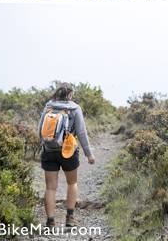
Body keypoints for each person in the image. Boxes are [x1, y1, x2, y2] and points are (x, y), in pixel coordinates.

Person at [38, 83, 96, 228]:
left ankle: (50, 222)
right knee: (72, 183)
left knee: (50, 187)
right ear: (70, 95)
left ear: (57, 93)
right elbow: (82, 133)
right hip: (68, 151)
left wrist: (46, 146)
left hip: (49, 150)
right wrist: (89, 154)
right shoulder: (75, 108)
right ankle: (70, 218)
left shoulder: (48, 106)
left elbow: (40, 129)